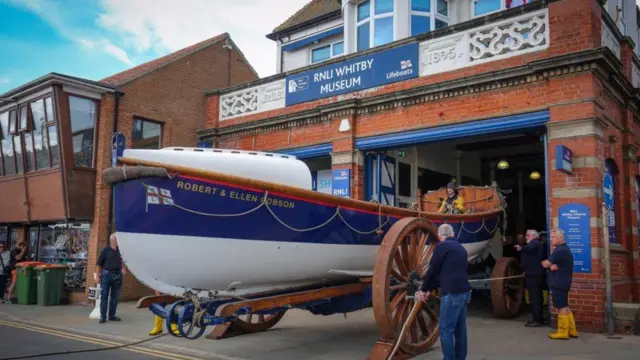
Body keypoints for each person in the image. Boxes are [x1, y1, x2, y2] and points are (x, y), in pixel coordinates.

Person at [416, 224, 471, 360]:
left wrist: (423, 290)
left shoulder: (441, 247)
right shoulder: (461, 249)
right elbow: (447, 273)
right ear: (452, 234)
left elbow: (433, 270)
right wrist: (430, 288)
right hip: (465, 292)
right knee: (460, 331)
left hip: (451, 294)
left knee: (446, 330)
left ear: (440, 236)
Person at [542, 228, 577, 340]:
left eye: (553, 237)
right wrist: (551, 265)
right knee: (565, 305)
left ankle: (562, 332)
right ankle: (572, 330)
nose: (550, 239)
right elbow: (551, 264)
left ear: (560, 238)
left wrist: (548, 264)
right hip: (563, 282)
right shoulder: (565, 249)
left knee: (561, 307)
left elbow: (545, 263)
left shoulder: (559, 250)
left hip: (558, 283)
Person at [515, 229, 545, 327]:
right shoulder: (535, 244)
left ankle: (537, 320)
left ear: (533, 236)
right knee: (535, 297)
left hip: (534, 275)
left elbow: (530, 248)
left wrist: (521, 248)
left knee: (535, 298)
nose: (526, 237)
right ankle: (537, 318)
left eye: (527, 235)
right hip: (532, 274)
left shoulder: (535, 243)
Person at [96, 233, 126, 323]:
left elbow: (122, 261)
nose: (118, 241)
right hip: (106, 275)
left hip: (117, 275)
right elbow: (99, 264)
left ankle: (112, 315)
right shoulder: (105, 250)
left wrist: (123, 268)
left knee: (115, 296)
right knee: (104, 296)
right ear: (112, 240)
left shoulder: (120, 250)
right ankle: (103, 316)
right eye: (116, 240)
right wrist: (97, 276)